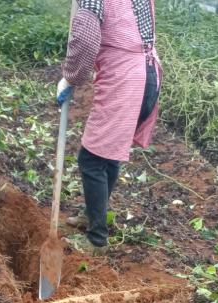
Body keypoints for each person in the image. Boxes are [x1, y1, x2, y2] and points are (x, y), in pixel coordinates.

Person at [57, 0, 161, 254]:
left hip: (126, 81)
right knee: (108, 155)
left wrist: (71, 77)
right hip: (146, 76)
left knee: (91, 160)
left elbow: (86, 39)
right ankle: (93, 215)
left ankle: (96, 240)